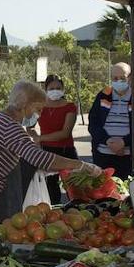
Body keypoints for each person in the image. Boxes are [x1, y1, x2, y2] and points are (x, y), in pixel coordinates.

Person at [0, 80, 101, 242]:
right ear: (27, 105)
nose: (39, 115)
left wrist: (58, 168)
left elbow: (34, 160)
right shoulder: (9, 126)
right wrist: (80, 165)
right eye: (38, 109)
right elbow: (40, 159)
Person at [88, 62, 134, 179]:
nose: (118, 81)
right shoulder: (103, 95)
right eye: (115, 78)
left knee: (127, 188)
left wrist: (124, 142)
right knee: (103, 188)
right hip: (103, 156)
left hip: (128, 158)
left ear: (130, 78)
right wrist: (107, 140)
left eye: (122, 78)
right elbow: (93, 123)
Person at [35, 74, 79, 203]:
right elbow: (28, 124)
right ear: (45, 89)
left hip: (66, 151)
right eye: (51, 88)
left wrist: (40, 138)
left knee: (74, 187)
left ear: (63, 89)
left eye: (58, 88)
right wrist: (34, 138)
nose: (55, 91)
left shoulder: (70, 107)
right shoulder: (39, 107)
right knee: (50, 190)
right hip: (47, 152)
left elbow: (65, 133)